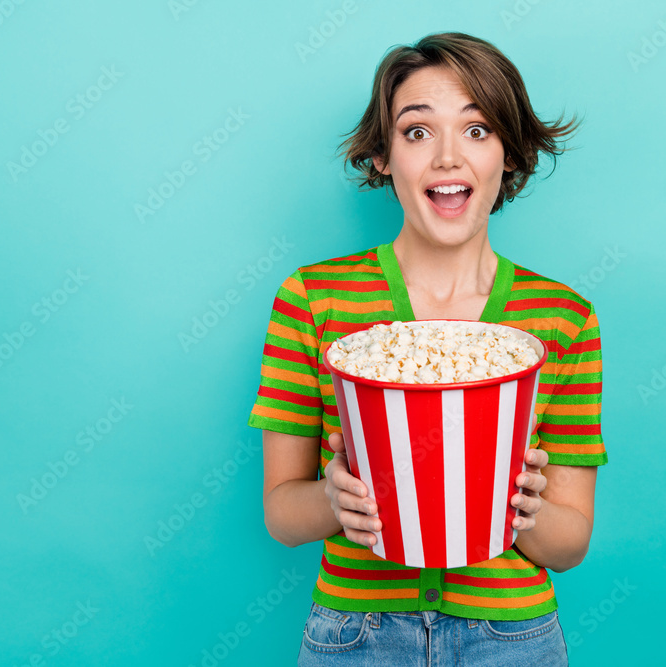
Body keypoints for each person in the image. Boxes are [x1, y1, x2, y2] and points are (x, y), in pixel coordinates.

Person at [247, 32, 607, 665]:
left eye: (477, 130)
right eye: (417, 132)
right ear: (384, 155)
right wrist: (334, 500)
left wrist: (522, 509)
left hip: (512, 638)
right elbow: (281, 514)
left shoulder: (562, 317)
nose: (447, 157)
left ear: (509, 155)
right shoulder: (315, 299)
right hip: (354, 635)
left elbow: (571, 541)